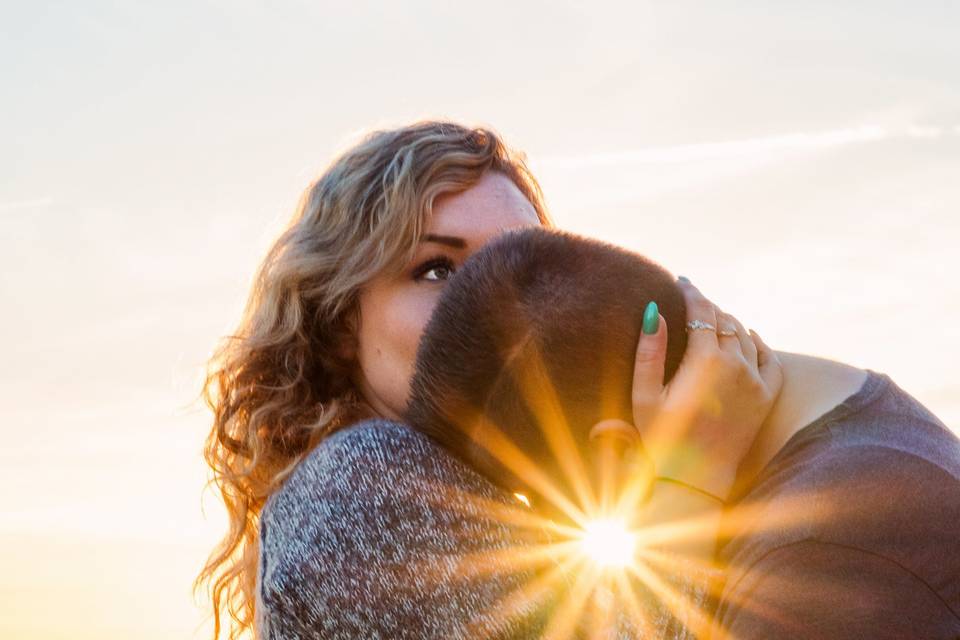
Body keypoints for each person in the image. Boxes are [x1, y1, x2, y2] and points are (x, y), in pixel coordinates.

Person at [195, 121, 782, 639]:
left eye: (524, 262)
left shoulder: (458, 498)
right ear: (342, 321)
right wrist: (692, 479)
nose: (498, 300)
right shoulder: (363, 482)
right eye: (437, 269)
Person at [404, 226, 960, 638]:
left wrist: (688, 481)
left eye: (531, 495)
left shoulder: (819, 565)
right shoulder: (850, 452)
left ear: (615, 451)